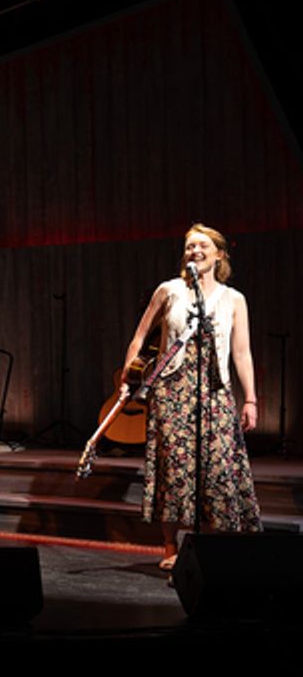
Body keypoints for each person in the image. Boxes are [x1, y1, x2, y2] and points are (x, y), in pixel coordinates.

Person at [119, 223, 260, 571]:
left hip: (215, 391)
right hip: (172, 390)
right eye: (189, 247)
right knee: (175, 468)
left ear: (219, 255)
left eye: (202, 246)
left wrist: (251, 399)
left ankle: (213, 546)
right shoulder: (169, 291)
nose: (194, 252)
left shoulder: (233, 299)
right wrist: (128, 375)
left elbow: (242, 353)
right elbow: (139, 338)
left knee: (217, 468)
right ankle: (170, 545)